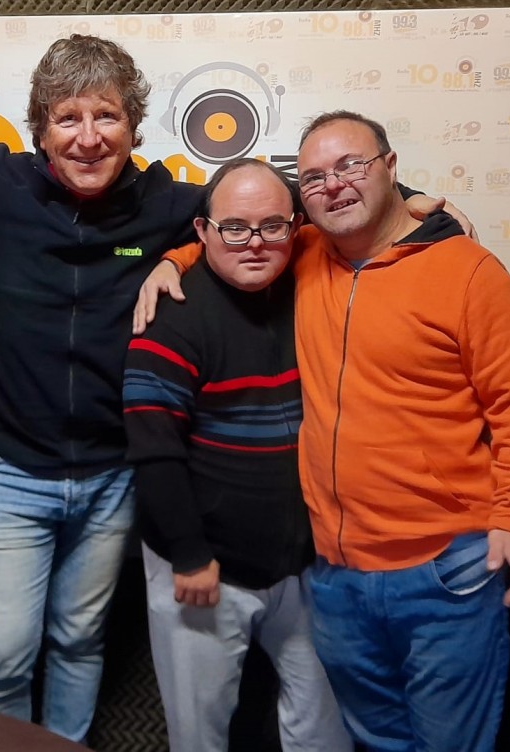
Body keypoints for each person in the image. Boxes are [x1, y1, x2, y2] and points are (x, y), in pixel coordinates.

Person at [0, 38, 457, 741]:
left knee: (78, 641)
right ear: (40, 128)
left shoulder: (166, 204)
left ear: (133, 127)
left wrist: (406, 203)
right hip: (6, 475)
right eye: (68, 118)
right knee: (0, 654)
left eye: (107, 116)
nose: (89, 137)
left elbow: (268, 207)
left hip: (110, 480)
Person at [291, 111, 510, 751]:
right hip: (336, 575)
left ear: (390, 168)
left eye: (350, 165)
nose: (333, 185)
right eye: (313, 177)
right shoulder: (300, 256)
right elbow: (220, 228)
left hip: (448, 572)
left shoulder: (467, 270)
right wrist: (171, 261)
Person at [123, 158, 350, 752]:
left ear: (296, 227)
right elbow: (154, 450)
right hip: (203, 567)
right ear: (202, 232)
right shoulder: (170, 316)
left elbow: (368, 204)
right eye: (235, 228)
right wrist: (189, 554)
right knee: (200, 737)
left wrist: (423, 204)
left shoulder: (314, 289)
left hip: (307, 566)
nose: (255, 242)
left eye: (272, 226)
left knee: (326, 731)